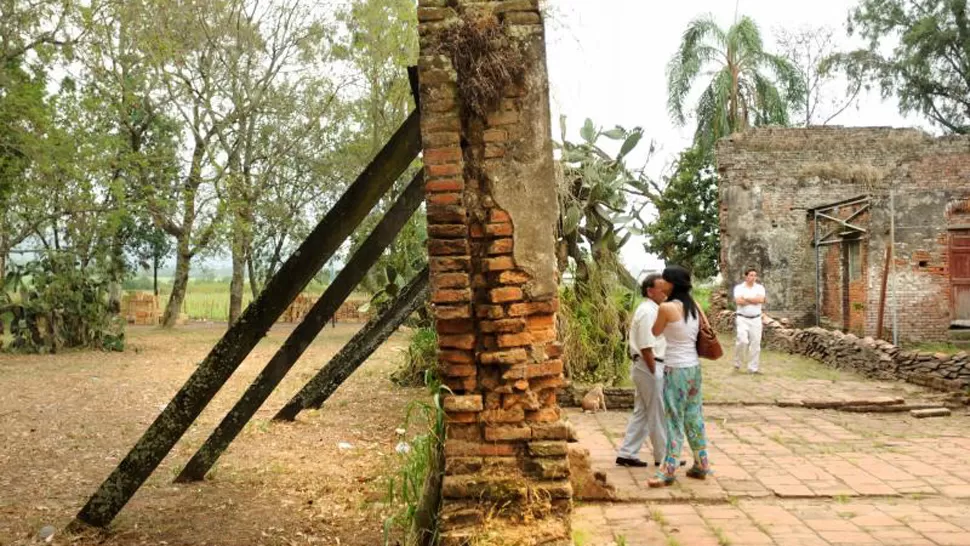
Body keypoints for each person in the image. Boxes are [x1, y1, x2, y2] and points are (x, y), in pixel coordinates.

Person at [647, 265, 712, 487]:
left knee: (673, 418)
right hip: (693, 367)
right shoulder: (694, 306)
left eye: (664, 280)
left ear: (671, 284)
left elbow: (655, 332)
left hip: (675, 368)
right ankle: (702, 463)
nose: (661, 283)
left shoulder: (666, 308)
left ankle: (668, 468)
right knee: (694, 415)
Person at [616, 274, 668, 468]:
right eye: (661, 289)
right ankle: (663, 456)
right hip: (650, 364)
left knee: (643, 412)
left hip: (647, 365)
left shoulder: (654, 309)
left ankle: (627, 453)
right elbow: (647, 346)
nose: (665, 293)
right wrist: (655, 373)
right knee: (657, 412)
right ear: (650, 291)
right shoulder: (647, 311)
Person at [734, 268, 766, 374]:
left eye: (755, 275)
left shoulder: (760, 288)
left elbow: (761, 300)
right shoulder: (739, 288)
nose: (753, 277)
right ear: (746, 276)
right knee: (743, 341)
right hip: (742, 318)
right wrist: (754, 300)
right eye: (751, 275)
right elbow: (739, 301)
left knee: (755, 344)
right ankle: (737, 362)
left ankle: (753, 368)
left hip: (756, 319)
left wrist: (746, 298)